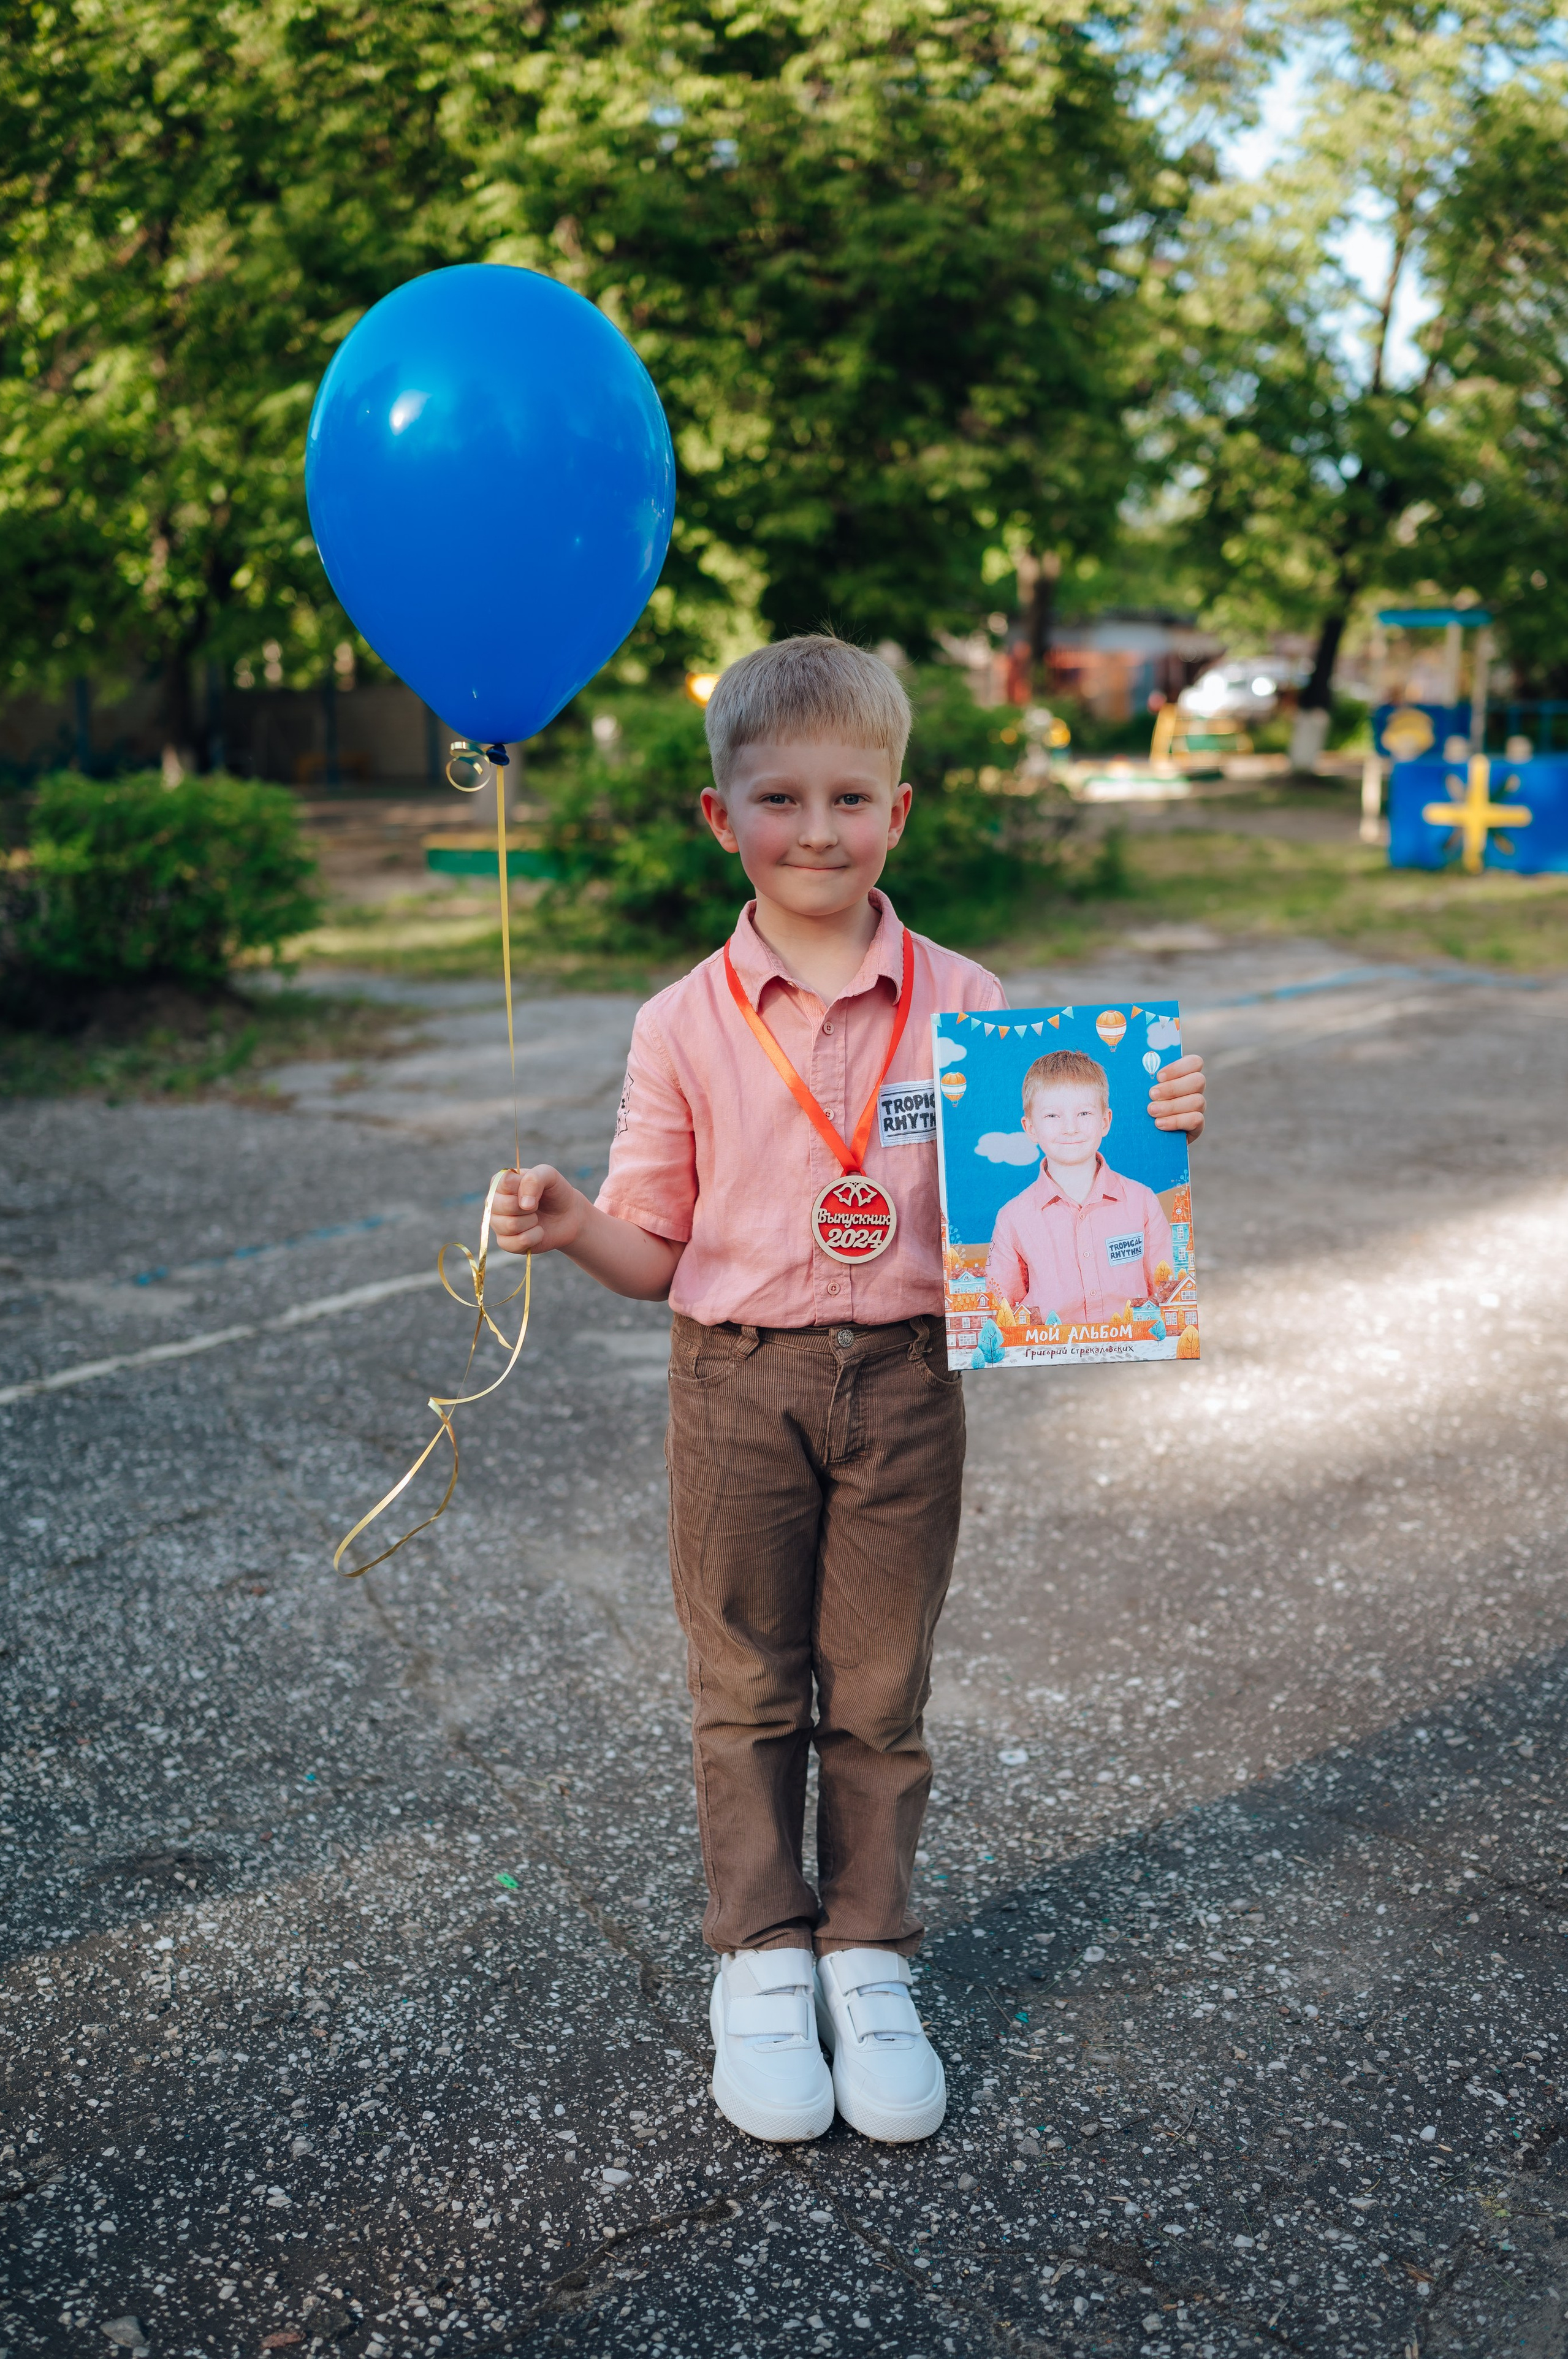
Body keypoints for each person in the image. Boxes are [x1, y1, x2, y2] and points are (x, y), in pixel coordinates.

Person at [490, 638, 1206, 2146]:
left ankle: (866, 1947)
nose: (816, 829)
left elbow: (1040, 1179)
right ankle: (758, 1952)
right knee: (746, 1675)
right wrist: (570, 1224)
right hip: (734, 1381)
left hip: (906, 1377)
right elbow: (653, 1244)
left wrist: (1140, 1121)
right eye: (779, 798)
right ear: (717, 812)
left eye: (850, 797)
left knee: (878, 1681)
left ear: (899, 808)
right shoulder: (680, 1022)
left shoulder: (964, 999)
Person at [986, 1050, 1176, 1325]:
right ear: (1030, 1129)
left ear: (1105, 1122)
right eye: (1052, 1116)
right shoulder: (1012, 1217)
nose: (1070, 1128)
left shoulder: (1142, 1201)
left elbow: (1165, 1288)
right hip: (1047, 1359)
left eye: (1084, 1113)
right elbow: (1002, 1308)